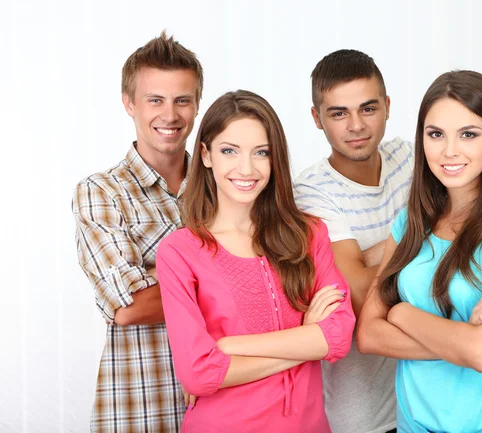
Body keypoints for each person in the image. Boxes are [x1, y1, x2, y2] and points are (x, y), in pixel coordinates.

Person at [357, 70, 482, 433]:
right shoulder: (409, 223)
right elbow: (369, 335)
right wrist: (462, 335)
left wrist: (401, 314)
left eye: (468, 134)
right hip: (412, 426)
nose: (450, 151)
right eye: (436, 135)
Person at [155, 90, 355, 433]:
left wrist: (230, 348)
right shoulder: (179, 252)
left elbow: (337, 336)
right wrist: (307, 338)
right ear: (206, 155)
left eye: (261, 152)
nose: (246, 168)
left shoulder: (310, 234)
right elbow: (199, 373)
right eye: (229, 151)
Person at [72, 32, 203, 432]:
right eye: (155, 100)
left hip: (226, 406)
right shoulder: (101, 192)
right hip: (143, 408)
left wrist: (170, 284)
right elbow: (130, 307)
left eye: (182, 100)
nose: (170, 114)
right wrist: (229, 278)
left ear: (197, 104)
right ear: (129, 103)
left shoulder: (226, 186)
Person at [294, 49, 413, 433]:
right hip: (363, 416)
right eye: (338, 113)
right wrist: (420, 235)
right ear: (317, 118)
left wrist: (366, 259)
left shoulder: (410, 158)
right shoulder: (311, 192)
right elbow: (360, 297)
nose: (356, 125)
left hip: (428, 398)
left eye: (368, 108)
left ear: (388, 106)